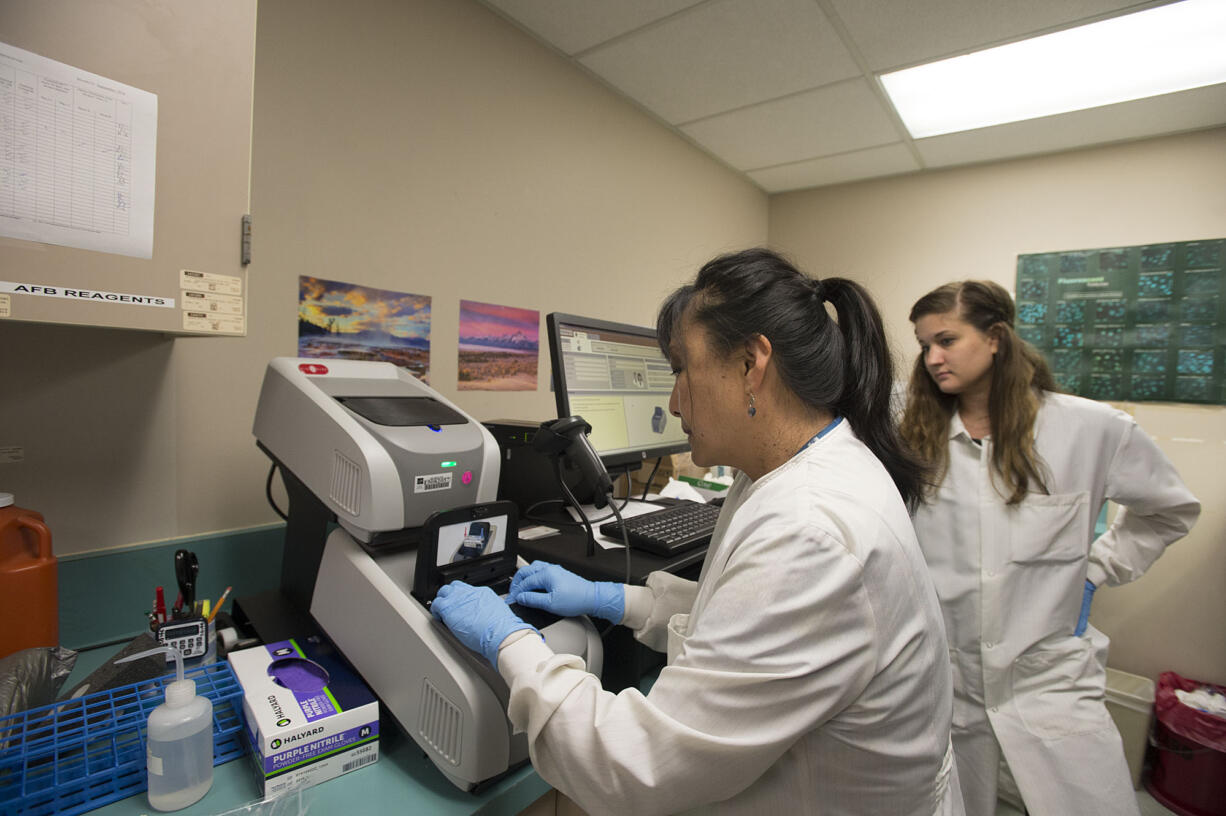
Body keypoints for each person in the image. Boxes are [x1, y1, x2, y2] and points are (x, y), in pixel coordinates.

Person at [431, 248, 964, 815]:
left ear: (750, 364)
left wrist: (510, 643)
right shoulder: (790, 469)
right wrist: (619, 601)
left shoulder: (810, 531)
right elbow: (737, 629)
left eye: (681, 368)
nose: (673, 399)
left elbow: (634, 766)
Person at [900, 280, 1200, 816]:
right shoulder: (916, 436)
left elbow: (1169, 510)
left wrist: (1098, 567)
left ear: (995, 337)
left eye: (946, 339)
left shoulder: (1090, 428)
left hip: (1048, 676)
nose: (932, 358)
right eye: (924, 346)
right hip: (947, 682)